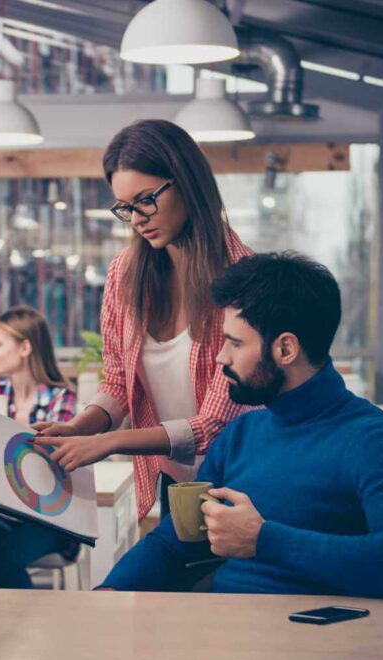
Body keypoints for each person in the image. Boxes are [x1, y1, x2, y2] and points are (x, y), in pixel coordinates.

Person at [101, 253, 383, 599]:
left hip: (320, 640)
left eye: (235, 343)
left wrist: (263, 539)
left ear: (285, 349)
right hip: (225, 633)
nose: (222, 358)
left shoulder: (374, 440)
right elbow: (172, 545)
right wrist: (106, 595)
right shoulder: (241, 434)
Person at [34, 119, 254, 523]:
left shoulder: (246, 277)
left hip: (242, 481)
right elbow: (119, 380)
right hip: (175, 478)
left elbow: (213, 424)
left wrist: (109, 442)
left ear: (186, 182)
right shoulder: (125, 273)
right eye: (124, 207)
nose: (136, 218)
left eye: (146, 199)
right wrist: (82, 427)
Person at [0, 307, 79, 588]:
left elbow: (55, 466)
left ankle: (18, 628)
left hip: (46, 519)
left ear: (25, 348)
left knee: (3, 558)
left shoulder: (61, 397)